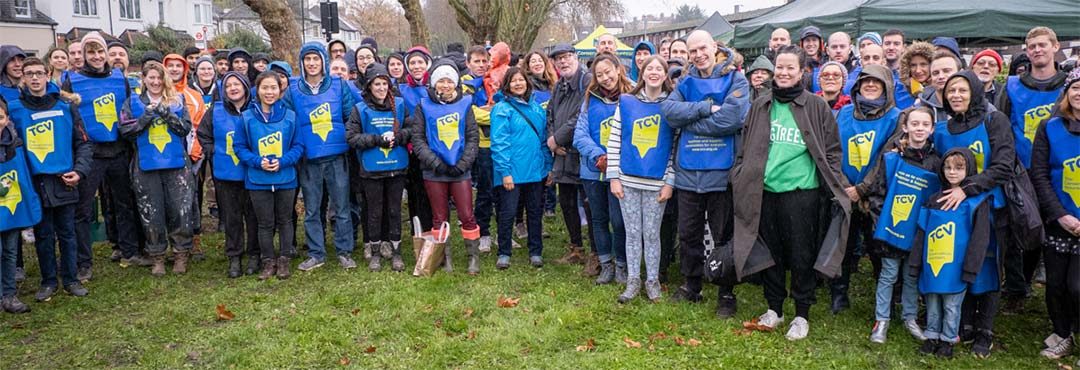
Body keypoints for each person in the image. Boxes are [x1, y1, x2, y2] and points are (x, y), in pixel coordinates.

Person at [733, 45, 850, 341]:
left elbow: (833, 151)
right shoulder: (761, 104)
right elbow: (745, 144)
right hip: (765, 193)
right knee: (769, 254)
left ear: (802, 72)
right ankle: (775, 309)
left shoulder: (816, 106)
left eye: (790, 68)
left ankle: (801, 314)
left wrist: (834, 183)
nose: (784, 73)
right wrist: (739, 173)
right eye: (780, 67)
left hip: (801, 196)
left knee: (801, 256)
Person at [661, 30, 751, 317]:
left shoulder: (736, 78)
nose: (698, 55)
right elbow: (670, 111)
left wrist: (691, 122)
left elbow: (733, 118)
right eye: (692, 51)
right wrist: (705, 108)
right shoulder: (686, 80)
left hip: (721, 173)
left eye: (703, 48)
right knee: (689, 233)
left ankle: (726, 292)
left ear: (715, 47)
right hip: (689, 173)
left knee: (723, 234)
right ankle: (692, 284)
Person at [933, 70, 1015, 358]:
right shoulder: (942, 129)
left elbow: (1004, 165)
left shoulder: (995, 121)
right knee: (961, 262)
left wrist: (968, 189)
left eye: (963, 90)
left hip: (990, 207)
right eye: (951, 90)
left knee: (988, 266)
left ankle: (985, 329)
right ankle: (964, 321)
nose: (956, 95)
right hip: (956, 211)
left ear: (976, 92)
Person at [9, 57, 92, 304]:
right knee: (43, 233)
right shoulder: (14, 109)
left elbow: (83, 143)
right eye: (29, 74)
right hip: (34, 182)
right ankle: (48, 281)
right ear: (23, 78)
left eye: (38, 73)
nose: (34, 78)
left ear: (48, 75)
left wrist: (79, 170)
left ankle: (71, 278)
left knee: (67, 231)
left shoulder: (66, 106)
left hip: (64, 180)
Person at [62, 32, 141, 282]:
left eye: (100, 52)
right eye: (91, 52)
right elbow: (68, 119)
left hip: (118, 149)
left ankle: (130, 251)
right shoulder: (71, 81)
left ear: (106, 53)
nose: (96, 57)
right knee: (83, 210)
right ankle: (83, 263)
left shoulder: (120, 78)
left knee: (125, 203)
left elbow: (129, 112)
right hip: (90, 153)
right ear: (83, 55)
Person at [830, 64, 902, 314]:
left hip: (877, 194)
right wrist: (846, 186)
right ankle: (839, 294)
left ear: (886, 86)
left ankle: (886, 301)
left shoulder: (896, 118)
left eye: (877, 82)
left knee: (878, 249)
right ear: (858, 85)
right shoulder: (843, 114)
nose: (870, 85)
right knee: (843, 246)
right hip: (845, 191)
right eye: (866, 81)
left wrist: (862, 189)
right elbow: (833, 151)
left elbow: (887, 156)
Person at [909, 148, 993, 359]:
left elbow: (979, 239)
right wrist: (915, 263)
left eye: (959, 168)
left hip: (957, 267)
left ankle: (948, 339)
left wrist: (971, 269)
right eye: (947, 167)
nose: (952, 172)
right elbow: (922, 231)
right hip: (932, 265)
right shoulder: (933, 199)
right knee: (933, 303)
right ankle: (931, 336)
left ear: (970, 169)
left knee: (952, 306)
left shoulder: (976, 203)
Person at [865, 106, 939, 343]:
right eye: (914, 124)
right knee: (888, 274)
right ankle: (882, 319)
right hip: (892, 229)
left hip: (918, 230)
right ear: (905, 127)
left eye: (924, 124)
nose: (919, 129)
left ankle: (910, 317)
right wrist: (881, 225)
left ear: (932, 129)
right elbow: (877, 194)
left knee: (911, 275)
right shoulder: (891, 158)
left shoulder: (937, 162)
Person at [605, 56, 676, 302]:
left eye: (660, 69)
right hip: (628, 180)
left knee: (652, 234)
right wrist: (614, 176)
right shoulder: (626, 103)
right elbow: (614, 141)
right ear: (642, 72)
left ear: (666, 75)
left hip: (657, 183)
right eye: (650, 68)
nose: (654, 72)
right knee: (632, 232)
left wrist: (670, 181)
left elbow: (675, 148)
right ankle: (633, 280)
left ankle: (652, 281)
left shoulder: (672, 105)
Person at [282, 41, 357, 271]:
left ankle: (344, 251)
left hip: (336, 157)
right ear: (302, 62)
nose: (312, 63)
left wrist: (347, 139)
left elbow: (350, 115)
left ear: (323, 61)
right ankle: (316, 253)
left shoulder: (338, 85)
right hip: (309, 159)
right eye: (308, 59)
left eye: (316, 58)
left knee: (342, 207)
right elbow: (288, 122)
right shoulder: (293, 89)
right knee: (312, 209)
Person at [119, 61, 196, 276]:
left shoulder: (178, 100)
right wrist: (145, 118)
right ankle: (157, 255)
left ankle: (181, 252)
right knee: (151, 211)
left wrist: (166, 113)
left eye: (159, 77)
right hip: (145, 165)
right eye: (151, 77)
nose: (155, 82)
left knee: (180, 209)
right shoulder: (132, 102)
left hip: (176, 165)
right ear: (143, 79)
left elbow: (185, 129)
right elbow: (125, 131)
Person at [407, 59, 481, 272]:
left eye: (449, 81)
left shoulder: (465, 104)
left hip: (461, 170)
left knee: (467, 214)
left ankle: (473, 257)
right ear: (434, 84)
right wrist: (435, 163)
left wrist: (463, 163)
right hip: (434, 171)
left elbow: (472, 136)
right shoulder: (424, 105)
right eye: (441, 81)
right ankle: (444, 257)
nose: (445, 85)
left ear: (455, 83)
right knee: (439, 217)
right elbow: (418, 139)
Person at [1029, 67, 1080, 360]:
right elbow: (1040, 173)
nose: (1079, 94)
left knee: (1077, 286)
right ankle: (1063, 333)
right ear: (1067, 92)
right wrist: (1060, 214)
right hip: (1060, 217)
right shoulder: (1050, 127)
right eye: (1075, 88)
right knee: (1056, 284)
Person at [234, 71, 304, 280]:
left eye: (273, 87)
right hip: (258, 179)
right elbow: (239, 146)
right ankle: (268, 260)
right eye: (265, 88)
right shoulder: (246, 117)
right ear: (258, 90)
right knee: (264, 223)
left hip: (286, 178)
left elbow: (298, 145)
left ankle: (283, 259)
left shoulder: (290, 116)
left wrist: (283, 161)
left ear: (280, 89)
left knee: (285, 220)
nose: (269, 92)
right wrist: (257, 161)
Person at [346, 63, 411, 272]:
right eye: (377, 84)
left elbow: (411, 128)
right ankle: (374, 252)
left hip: (396, 167)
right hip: (372, 169)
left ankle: (396, 251)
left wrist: (399, 137)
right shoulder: (360, 109)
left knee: (394, 210)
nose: (381, 88)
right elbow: (352, 137)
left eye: (384, 84)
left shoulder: (400, 105)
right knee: (374, 211)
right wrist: (376, 139)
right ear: (369, 86)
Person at [197, 71, 260, 278]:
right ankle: (234, 256)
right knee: (231, 217)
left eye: (237, 84)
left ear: (245, 87)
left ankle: (254, 254)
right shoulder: (215, 111)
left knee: (253, 216)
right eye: (228, 85)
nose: (233, 88)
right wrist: (212, 151)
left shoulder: (256, 109)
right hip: (225, 174)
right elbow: (203, 134)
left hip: (252, 172)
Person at [574, 52, 630, 282]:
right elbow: (580, 134)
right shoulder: (590, 99)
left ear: (618, 69)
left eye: (608, 72)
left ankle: (621, 264)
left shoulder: (632, 96)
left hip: (622, 171)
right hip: (593, 170)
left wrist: (616, 158)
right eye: (600, 74)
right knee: (598, 219)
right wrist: (598, 155)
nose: (605, 78)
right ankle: (605, 263)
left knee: (618, 220)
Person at [491, 66, 552, 270]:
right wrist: (505, 172)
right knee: (507, 213)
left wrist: (548, 167)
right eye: (513, 81)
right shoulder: (501, 109)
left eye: (521, 80)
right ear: (507, 85)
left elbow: (543, 141)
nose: (518, 84)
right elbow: (499, 143)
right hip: (511, 172)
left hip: (535, 170)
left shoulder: (537, 109)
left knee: (535, 212)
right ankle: (504, 251)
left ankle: (536, 251)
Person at [546, 43, 595, 270]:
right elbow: (550, 115)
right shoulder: (558, 86)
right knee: (565, 202)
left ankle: (597, 252)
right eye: (558, 59)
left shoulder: (586, 81)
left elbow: (582, 114)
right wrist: (552, 140)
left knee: (590, 204)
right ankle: (576, 247)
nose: (563, 62)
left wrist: (559, 137)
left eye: (566, 57)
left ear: (576, 57)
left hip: (581, 152)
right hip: (562, 154)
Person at [0, 97, 43, 311]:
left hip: (11, 207)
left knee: (9, 251)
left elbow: (23, 175)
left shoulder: (15, 142)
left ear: (7, 119)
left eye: (0, 117)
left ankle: (9, 295)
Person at [460, 45, 496, 254]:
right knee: (485, 191)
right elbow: (469, 112)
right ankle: (483, 233)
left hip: (499, 143)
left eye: (485, 61)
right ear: (468, 63)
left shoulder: (495, 81)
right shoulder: (465, 85)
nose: (481, 65)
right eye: (477, 61)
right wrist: (493, 113)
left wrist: (492, 110)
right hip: (479, 144)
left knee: (501, 190)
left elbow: (507, 107)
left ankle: (504, 231)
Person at [916, 51, 963, 122]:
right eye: (935, 73)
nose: (941, 76)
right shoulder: (919, 110)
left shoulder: (976, 107)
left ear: (961, 73)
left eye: (946, 71)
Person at [898, 41, 934, 111]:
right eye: (913, 65)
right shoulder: (899, 91)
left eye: (923, 64)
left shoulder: (940, 90)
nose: (918, 70)